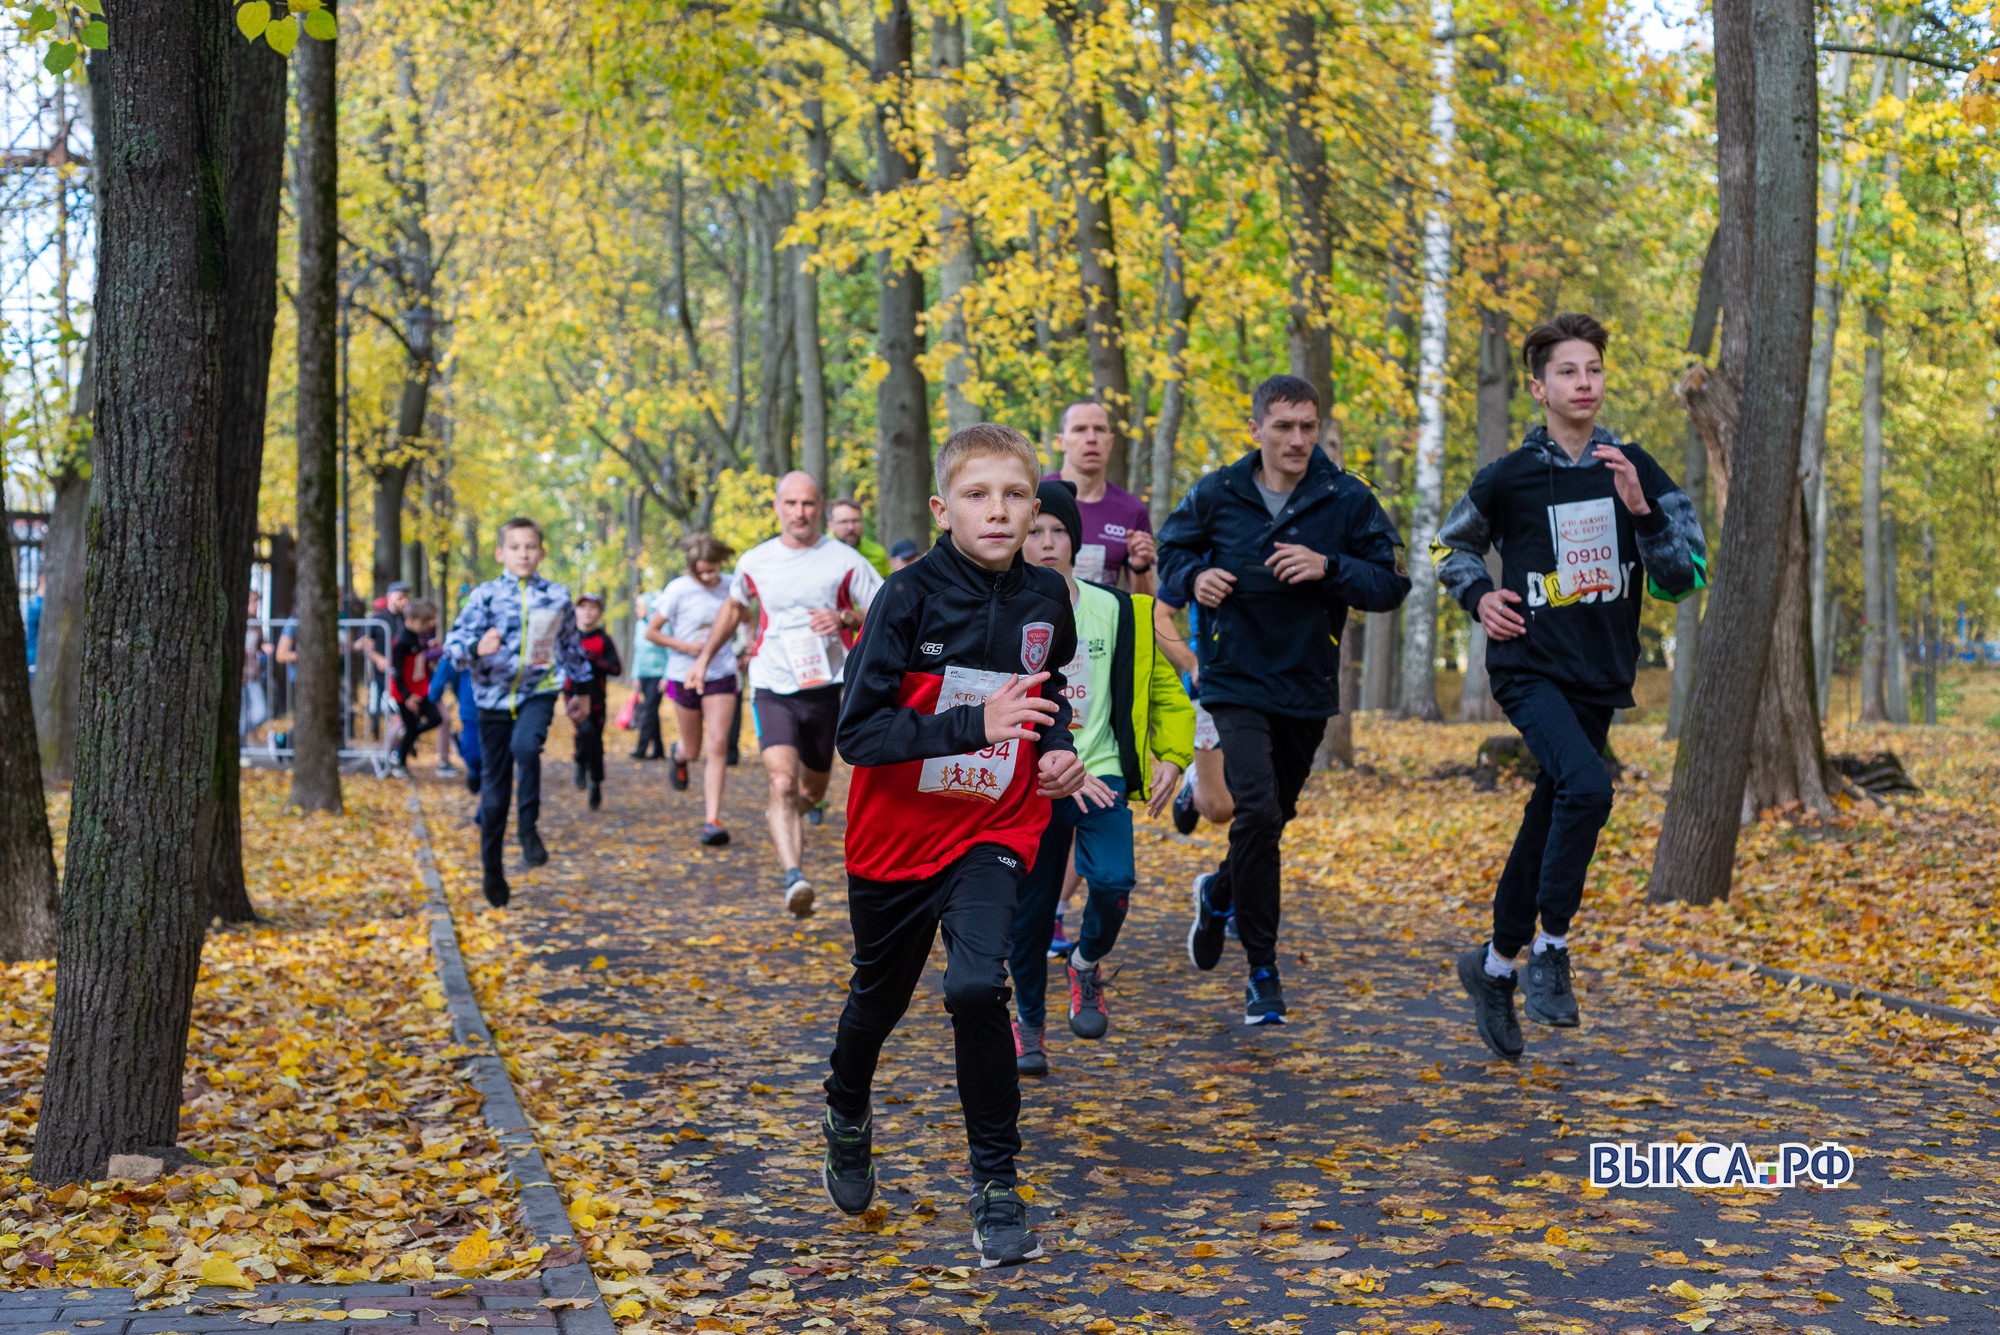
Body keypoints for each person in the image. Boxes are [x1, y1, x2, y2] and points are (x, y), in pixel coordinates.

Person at [821, 423, 1091, 1270]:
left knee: (978, 985)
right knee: (879, 997)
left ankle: (996, 1185)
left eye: (1016, 494)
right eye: (978, 495)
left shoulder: (1049, 598)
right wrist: (977, 723)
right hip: (896, 838)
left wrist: (1055, 750)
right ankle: (846, 1105)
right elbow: (857, 734)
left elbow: (1051, 701)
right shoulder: (904, 598)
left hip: (994, 825)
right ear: (943, 508)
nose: (1000, 510)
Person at [1435, 313, 1706, 1061]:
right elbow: (1451, 543)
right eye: (1567, 371)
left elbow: (1687, 577)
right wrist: (1477, 597)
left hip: (1600, 676)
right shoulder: (1510, 476)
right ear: (1538, 387)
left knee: (1546, 814)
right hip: (1527, 666)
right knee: (1587, 788)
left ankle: (1492, 968)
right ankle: (1550, 950)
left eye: (1593, 369)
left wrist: (1643, 512)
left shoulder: (1635, 467)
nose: (1583, 382)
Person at [1157, 374, 1411, 1026]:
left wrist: (1329, 567)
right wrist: (1195, 577)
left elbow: (1389, 582)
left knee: (1271, 818)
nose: (1298, 439)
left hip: (1303, 684)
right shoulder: (1218, 491)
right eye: (1284, 426)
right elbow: (1172, 551)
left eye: (1307, 426)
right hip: (1233, 676)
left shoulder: (1347, 498)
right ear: (1256, 429)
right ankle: (1262, 973)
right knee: (1258, 809)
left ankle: (1218, 894)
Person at [1007, 480, 1193, 1077]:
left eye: (1059, 531)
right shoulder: (1000, 611)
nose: (1047, 542)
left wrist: (1173, 755)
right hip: (1030, 782)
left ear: (1076, 541)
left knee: (1114, 881)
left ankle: (1085, 964)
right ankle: (1029, 1025)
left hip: (1103, 770)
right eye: (1034, 531)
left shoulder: (1120, 609)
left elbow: (1163, 688)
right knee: (1030, 918)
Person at [686, 473, 883, 914]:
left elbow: (888, 607)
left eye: (809, 504)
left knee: (808, 791)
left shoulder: (844, 560)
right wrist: (703, 660)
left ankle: (787, 813)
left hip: (825, 686)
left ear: (820, 507)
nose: (800, 512)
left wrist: (846, 617)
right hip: (772, 684)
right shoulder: (756, 561)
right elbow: (734, 607)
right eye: (791, 503)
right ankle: (794, 876)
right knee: (779, 781)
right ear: (777, 507)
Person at [443, 517, 592, 908]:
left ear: (541, 552)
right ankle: (492, 868)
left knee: (526, 748)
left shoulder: (557, 596)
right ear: (500, 553)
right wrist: (478, 647)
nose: (523, 554)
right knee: (493, 798)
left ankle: (528, 828)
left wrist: (582, 690)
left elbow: (571, 647)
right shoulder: (484, 597)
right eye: (515, 547)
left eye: (530, 547)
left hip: (537, 691)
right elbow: (453, 644)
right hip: (490, 700)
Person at [650, 535, 739, 846]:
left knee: (718, 745)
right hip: (683, 674)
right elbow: (652, 631)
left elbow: (747, 616)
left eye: (712, 570)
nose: (707, 577)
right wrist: (686, 646)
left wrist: (750, 641)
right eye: (701, 572)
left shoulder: (731, 585)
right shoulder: (678, 589)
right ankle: (680, 755)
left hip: (721, 672)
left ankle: (712, 820)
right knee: (694, 749)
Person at [1047, 399, 1157, 593]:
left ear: (1110, 441)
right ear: (1060, 441)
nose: (1091, 438)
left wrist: (1140, 567)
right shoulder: (1036, 496)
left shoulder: (1131, 510)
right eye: (1080, 429)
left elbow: (1144, 604)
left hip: (1102, 621)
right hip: (1040, 621)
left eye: (1099, 429)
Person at [567, 593, 623, 810]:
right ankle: (580, 761)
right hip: (573, 696)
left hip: (597, 698)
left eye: (592, 608)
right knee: (585, 732)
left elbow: (616, 668)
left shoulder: (603, 640)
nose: (587, 612)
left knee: (595, 739)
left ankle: (596, 782)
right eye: (583, 607)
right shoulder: (568, 637)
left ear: (599, 613)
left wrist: (594, 660)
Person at [389, 598, 444, 776]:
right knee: (412, 727)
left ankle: (406, 737)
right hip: (405, 694)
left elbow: (417, 650)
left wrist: (427, 646)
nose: (428, 625)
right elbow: (396, 671)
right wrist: (407, 697)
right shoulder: (402, 641)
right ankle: (399, 760)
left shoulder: (415, 637)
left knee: (436, 718)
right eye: (424, 622)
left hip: (420, 689)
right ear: (411, 620)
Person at [430, 653, 482, 793]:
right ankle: (475, 772)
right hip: (471, 708)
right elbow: (447, 661)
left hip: (501, 707)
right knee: (474, 755)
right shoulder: (459, 642)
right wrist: (435, 690)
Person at [629, 591, 670, 763]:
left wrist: (667, 677)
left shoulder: (663, 626)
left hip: (658, 675)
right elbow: (637, 653)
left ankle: (641, 748)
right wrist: (635, 676)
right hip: (643, 675)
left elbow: (670, 652)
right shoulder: (639, 626)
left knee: (649, 711)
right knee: (651, 712)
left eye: (640, 606)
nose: (637, 609)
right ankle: (659, 749)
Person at [829, 497, 892, 578]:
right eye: (843, 522)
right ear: (830, 526)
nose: (851, 527)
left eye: (855, 521)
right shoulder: (820, 552)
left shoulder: (877, 553)